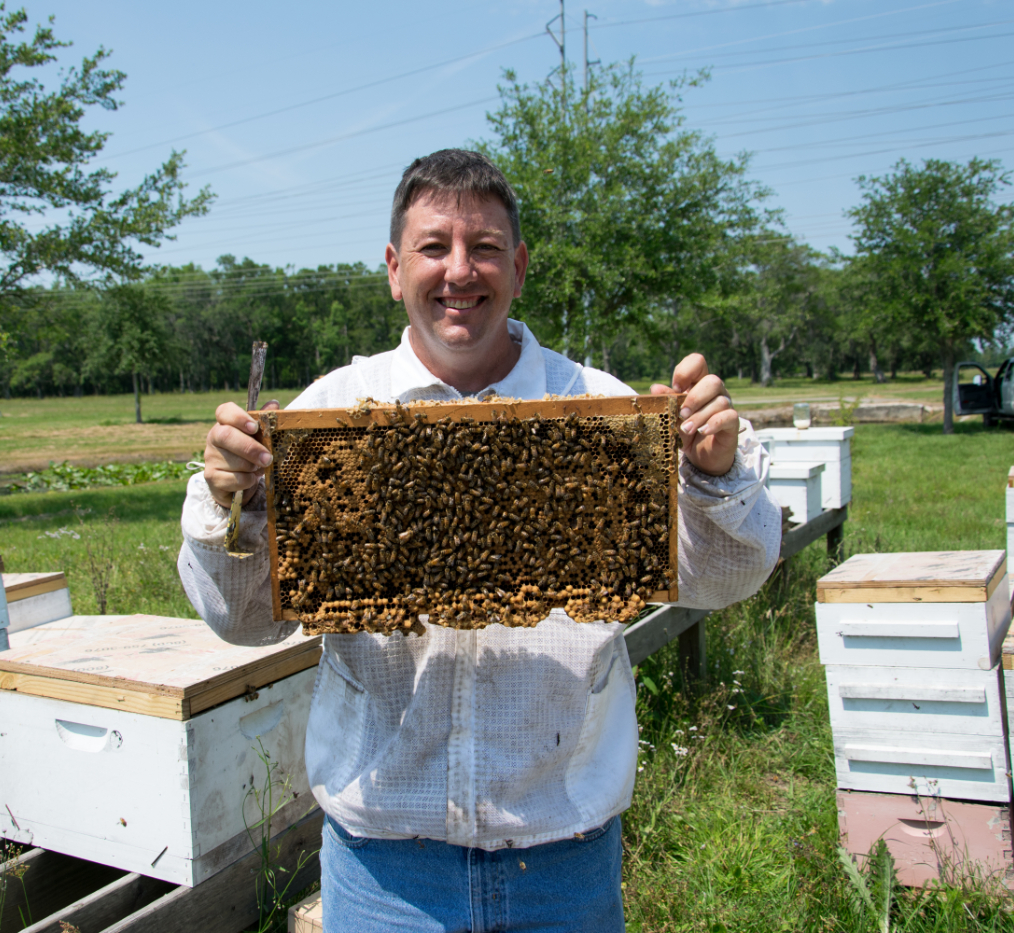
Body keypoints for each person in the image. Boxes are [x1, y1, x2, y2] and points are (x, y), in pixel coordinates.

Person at [179, 149, 780, 933]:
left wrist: (712, 475)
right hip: (383, 870)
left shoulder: (599, 406)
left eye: (485, 247)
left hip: (563, 861)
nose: (460, 270)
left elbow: (726, 577)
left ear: (519, 267)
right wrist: (232, 502)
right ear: (395, 268)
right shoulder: (328, 409)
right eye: (434, 246)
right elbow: (246, 619)